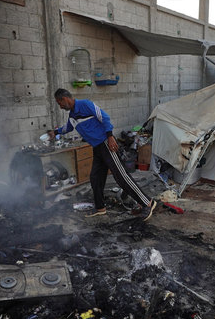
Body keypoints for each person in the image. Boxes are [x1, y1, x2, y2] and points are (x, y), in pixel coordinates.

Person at [49, 88, 157, 221]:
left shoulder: (85, 105)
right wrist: (56, 132)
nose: (60, 107)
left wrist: (110, 136)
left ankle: (147, 202)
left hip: (106, 143)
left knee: (121, 176)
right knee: (95, 178)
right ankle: (100, 208)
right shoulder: (72, 116)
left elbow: (104, 117)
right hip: (97, 148)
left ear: (64, 99)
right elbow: (68, 127)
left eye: (59, 103)